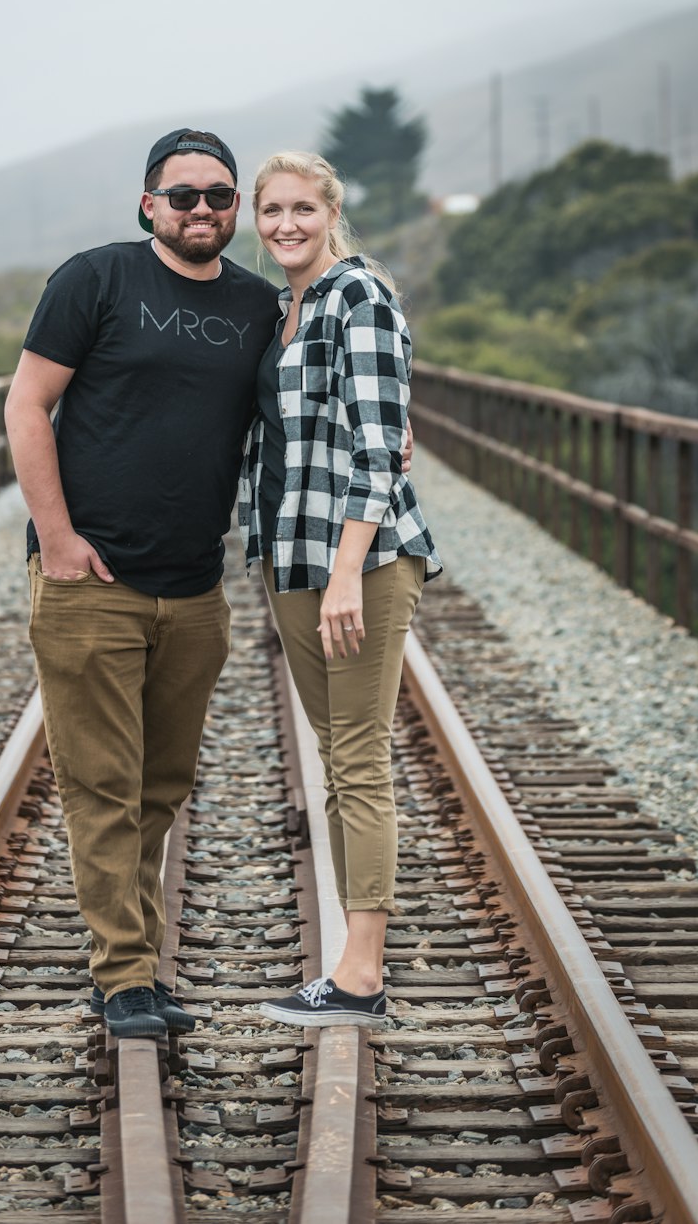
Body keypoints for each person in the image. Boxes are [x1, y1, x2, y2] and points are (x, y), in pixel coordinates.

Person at [4, 129, 280, 1039]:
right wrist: (57, 538)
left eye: (219, 196)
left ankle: (137, 972)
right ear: (148, 204)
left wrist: (386, 431)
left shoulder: (257, 306)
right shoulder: (96, 279)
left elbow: (298, 409)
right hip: (94, 582)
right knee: (102, 785)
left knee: (162, 787)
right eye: (183, 195)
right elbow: (26, 403)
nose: (202, 210)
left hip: (195, 592)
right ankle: (125, 976)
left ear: (235, 209)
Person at [240, 151, 441, 1028]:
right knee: (339, 758)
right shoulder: (286, 308)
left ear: (332, 212)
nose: (286, 224)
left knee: (358, 759)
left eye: (301, 209)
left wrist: (348, 573)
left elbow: (375, 448)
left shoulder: (359, 296)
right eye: (272, 210)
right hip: (291, 556)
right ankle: (351, 964)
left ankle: (360, 977)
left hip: (353, 561)